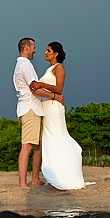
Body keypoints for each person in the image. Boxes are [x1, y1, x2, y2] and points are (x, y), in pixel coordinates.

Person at [29, 41, 87, 190]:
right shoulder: (49, 70)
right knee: (49, 139)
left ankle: (66, 172)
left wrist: (41, 85)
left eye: (48, 50)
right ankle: (57, 172)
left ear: (56, 54)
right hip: (46, 107)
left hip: (54, 108)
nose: (45, 52)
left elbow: (59, 89)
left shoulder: (59, 67)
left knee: (57, 136)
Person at [14, 37, 63, 188]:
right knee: (27, 145)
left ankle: (35, 178)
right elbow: (35, 88)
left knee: (39, 145)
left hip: (35, 109)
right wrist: (55, 96)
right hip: (30, 108)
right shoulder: (25, 64)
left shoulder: (22, 64)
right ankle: (23, 183)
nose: (36, 50)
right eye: (33, 47)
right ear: (26, 48)